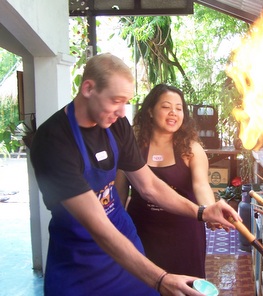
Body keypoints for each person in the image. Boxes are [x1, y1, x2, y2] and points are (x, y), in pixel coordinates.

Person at [30, 53, 240, 296]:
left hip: (125, 245)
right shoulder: (54, 142)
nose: (121, 112)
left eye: (126, 102)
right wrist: (160, 279)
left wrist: (202, 211)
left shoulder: (115, 125)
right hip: (80, 256)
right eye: (116, 101)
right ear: (88, 88)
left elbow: (148, 185)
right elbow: (99, 226)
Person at [115, 84, 218, 278]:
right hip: (142, 231)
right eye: (166, 107)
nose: (173, 113)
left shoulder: (191, 149)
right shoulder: (132, 148)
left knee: (186, 286)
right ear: (150, 111)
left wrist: (209, 209)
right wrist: (114, 231)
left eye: (179, 108)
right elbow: (119, 193)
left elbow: (201, 185)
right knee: (143, 284)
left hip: (185, 233)